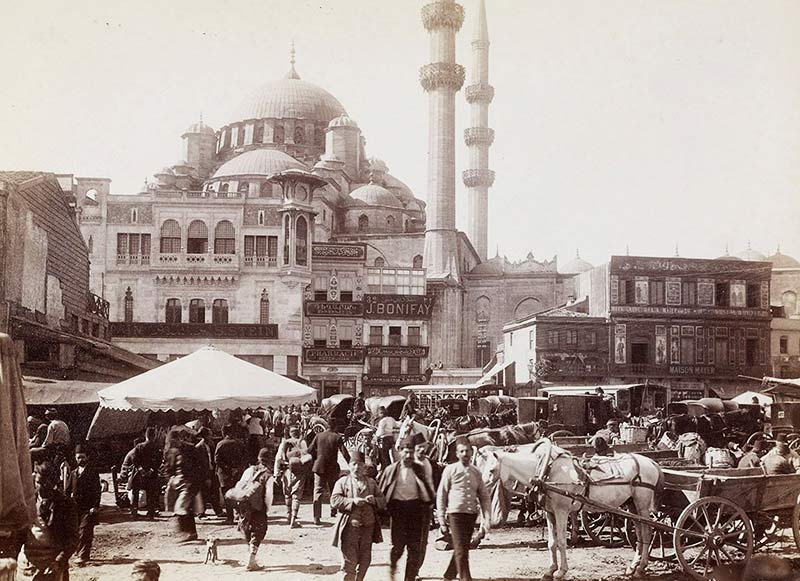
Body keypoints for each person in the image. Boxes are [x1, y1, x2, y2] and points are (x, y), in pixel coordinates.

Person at [379, 435, 436, 581]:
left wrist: (429, 504)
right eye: (405, 451)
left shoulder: (419, 468)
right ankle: (393, 566)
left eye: (411, 452)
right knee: (397, 547)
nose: (408, 455)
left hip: (415, 510)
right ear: (399, 451)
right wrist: (382, 511)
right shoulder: (391, 470)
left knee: (414, 548)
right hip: (397, 511)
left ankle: (409, 578)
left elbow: (428, 490)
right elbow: (382, 491)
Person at [437, 436, 491, 581]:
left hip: (470, 514)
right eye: (462, 451)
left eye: (467, 451)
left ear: (472, 452)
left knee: (463, 547)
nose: (465, 454)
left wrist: (487, 519)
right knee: (461, 550)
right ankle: (466, 578)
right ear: (457, 453)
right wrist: (442, 521)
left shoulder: (476, 472)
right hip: (455, 515)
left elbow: (484, 497)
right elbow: (441, 496)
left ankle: (449, 574)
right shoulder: (450, 470)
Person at [331, 450, 386, 581]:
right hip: (350, 527)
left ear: (364, 467)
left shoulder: (371, 483)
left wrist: (375, 501)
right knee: (349, 561)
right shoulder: (342, 482)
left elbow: (383, 500)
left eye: (360, 465)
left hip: (368, 527)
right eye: (354, 464)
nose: (357, 468)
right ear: (350, 466)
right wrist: (352, 501)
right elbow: (334, 500)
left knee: (365, 560)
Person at [19, 461, 78, 581]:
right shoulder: (28, 502)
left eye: (45, 483)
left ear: (53, 482)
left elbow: (72, 538)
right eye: (38, 483)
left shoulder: (65, 505)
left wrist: (58, 561)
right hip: (28, 564)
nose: (40, 487)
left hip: (52, 562)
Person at [235, 447, 274, 571]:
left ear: (258, 458)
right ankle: (251, 561)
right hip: (258, 507)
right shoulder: (268, 475)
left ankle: (251, 558)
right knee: (258, 532)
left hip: (244, 504)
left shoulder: (249, 470)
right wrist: (267, 509)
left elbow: (240, 484)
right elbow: (269, 495)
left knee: (246, 529)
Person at [66, 445, 101, 565]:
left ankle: (83, 555)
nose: (80, 460)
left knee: (85, 531)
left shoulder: (92, 472)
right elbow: (68, 490)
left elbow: (97, 490)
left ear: (87, 457)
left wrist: (95, 506)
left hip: (89, 508)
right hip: (76, 508)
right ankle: (79, 552)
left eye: (82, 457)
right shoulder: (73, 473)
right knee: (76, 531)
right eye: (78, 458)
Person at [309, 421, 350, 525]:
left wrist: (317, 458)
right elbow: (344, 452)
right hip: (332, 467)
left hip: (319, 467)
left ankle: (316, 517)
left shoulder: (319, 436)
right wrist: (351, 463)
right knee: (334, 490)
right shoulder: (337, 437)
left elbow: (310, 450)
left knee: (317, 492)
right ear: (335, 426)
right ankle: (333, 511)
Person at [165, 429, 202, 542]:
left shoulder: (190, 449)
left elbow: (200, 465)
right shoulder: (171, 451)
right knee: (183, 507)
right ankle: (191, 532)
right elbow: (169, 468)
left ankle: (187, 532)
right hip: (178, 483)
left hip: (190, 482)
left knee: (181, 507)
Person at [274, 424, 309, 528]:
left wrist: (277, 473)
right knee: (296, 496)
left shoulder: (284, 443)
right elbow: (306, 456)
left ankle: (288, 516)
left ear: (290, 433)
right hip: (299, 471)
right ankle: (293, 519)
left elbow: (278, 458)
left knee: (287, 494)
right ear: (298, 433)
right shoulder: (302, 442)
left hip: (286, 470)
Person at [215, 423, 247, 524]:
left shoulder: (220, 444)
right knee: (238, 495)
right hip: (238, 473)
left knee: (227, 495)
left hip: (224, 474)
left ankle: (230, 518)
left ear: (224, 433)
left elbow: (217, 459)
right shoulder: (240, 443)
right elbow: (245, 458)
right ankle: (240, 516)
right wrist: (237, 468)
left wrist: (228, 468)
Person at [128, 427, 162, 519]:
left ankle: (134, 512)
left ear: (146, 435)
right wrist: (151, 470)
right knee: (151, 493)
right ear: (154, 436)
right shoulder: (157, 447)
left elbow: (134, 459)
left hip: (139, 474)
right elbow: (159, 460)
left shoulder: (139, 446)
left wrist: (140, 469)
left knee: (135, 492)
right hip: (151, 474)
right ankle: (150, 513)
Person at [195, 427, 224, 517]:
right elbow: (201, 463)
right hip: (205, 473)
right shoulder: (199, 447)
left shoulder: (211, 444)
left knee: (214, 492)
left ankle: (218, 511)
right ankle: (201, 512)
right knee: (204, 492)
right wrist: (206, 476)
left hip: (212, 471)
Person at [375, 406, 398, 470]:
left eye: (379, 413)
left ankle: (385, 466)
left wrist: (376, 435)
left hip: (384, 440)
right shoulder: (391, 419)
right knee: (388, 454)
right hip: (391, 438)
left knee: (384, 455)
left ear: (382, 413)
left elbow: (380, 432)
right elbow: (395, 426)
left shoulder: (382, 421)